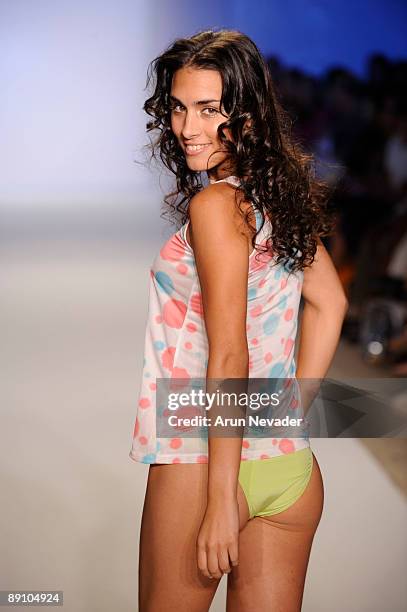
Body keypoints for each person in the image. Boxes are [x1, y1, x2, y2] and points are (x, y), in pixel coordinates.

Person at [129, 29, 348, 611]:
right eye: (178, 107)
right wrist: (287, 413)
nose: (187, 128)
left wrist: (223, 495)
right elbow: (331, 303)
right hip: (289, 466)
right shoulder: (273, 198)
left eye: (208, 109)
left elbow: (230, 354)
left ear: (246, 115)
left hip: (202, 458)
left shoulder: (214, 206)